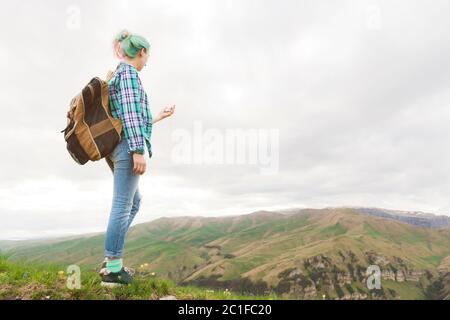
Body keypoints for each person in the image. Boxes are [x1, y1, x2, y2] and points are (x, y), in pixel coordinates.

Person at [99, 29, 175, 286]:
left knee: (133, 202)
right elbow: (131, 117)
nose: (147, 62)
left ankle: (110, 259)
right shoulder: (130, 74)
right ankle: (112, 268)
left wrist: (159, 117)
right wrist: (138, 151)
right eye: (147, 56)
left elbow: (131, 116)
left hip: (118, 145)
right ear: (141, 52)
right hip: (125, 147)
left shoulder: (119, 75)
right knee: (123, 204)